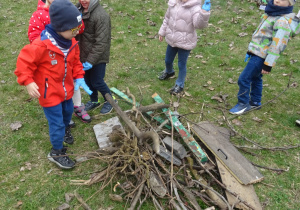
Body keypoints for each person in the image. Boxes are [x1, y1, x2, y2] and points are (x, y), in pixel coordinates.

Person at [15, 0, 92, 169]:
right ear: (60, 27)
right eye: (73, 29)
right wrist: (28, 81)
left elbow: (76, 62)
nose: (76, 32)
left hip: (66, 91)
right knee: (56, 122)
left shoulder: (71, 43)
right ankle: (56, 152)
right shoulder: (41, 46)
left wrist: (79, 76)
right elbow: (23, 63)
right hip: (49, 94)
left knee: (68, 112)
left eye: (77, 29)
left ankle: (65, 129)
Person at [229, 0, 300, 115]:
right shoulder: (272, 12)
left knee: (244, 79)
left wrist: (268, 64)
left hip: (262, 56)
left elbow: (277, 45)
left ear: (290, 3)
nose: (277, 0)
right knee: (256, 78)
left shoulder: (282, 21)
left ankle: (243, 104)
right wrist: (251, 50)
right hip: (257, 52)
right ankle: (255, 102)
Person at [28, 0, 90, 125]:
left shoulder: (69, 9)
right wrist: (48, 47)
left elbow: (81, 27)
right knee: (57, 88)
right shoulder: (39, 15)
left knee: (72, 84)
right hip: (52, 61)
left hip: (67, 56)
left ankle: (76, 106)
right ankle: (61, 116)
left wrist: (74, 20)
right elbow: (33, 35)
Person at [158, 0, 211, 95]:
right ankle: (169, 72)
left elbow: (198, 25)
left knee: (181, 65)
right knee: (167, 60)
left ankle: (180, 84)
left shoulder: (195, 8)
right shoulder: (173, 3)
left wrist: (204, 13)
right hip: (172, 39)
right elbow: (167, 18)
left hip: (185, 42)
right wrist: (162, 31)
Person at [76, 0, 116, 114]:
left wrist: (90, 61)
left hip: (97, 56)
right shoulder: (77, 10)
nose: (83, 1)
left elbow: (101, 43)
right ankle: (94, 100)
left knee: (97, 81)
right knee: (87, 80)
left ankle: (111, 100)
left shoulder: (101, 16)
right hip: (83, 54)